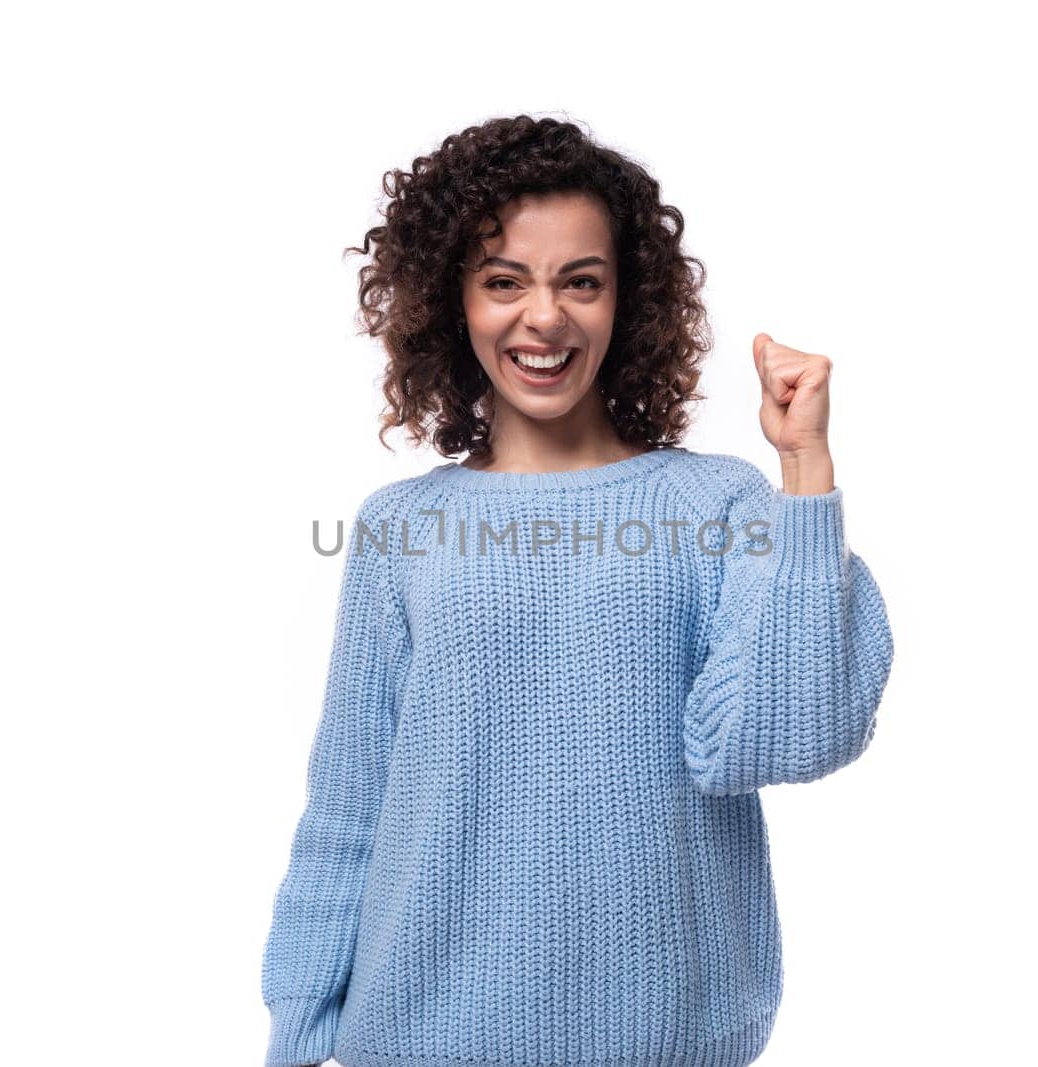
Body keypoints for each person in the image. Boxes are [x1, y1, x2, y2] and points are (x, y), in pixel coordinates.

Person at [259, 114, 895, 1067]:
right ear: (454, 302)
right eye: (504, 281)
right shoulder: (401, 528)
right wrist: (297, 1036)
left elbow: (785, 733)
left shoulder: (717, 505)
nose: (544, 317)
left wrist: (804, 468)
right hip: (417, 1035)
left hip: (663, 1034)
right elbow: (350, 806)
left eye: (580, 282)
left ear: (623, 300)